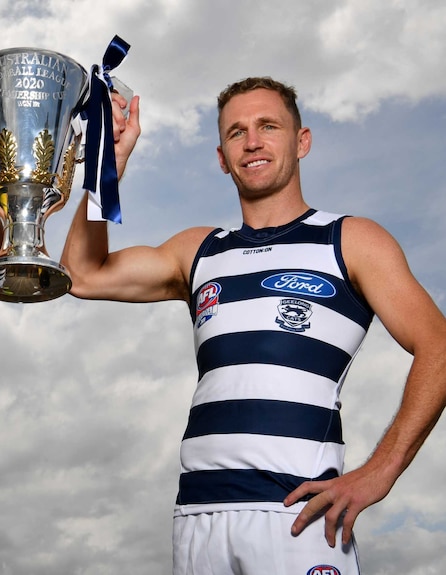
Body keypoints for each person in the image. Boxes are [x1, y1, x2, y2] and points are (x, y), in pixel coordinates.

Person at [60, 77, 446, 574]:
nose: (253, 142)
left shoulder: (350, 239)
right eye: (237, 132)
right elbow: (83, 275)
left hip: (295, 516)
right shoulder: (199, 249)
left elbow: (437, 345)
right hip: (198, 516)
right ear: (222, 157)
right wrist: (104, 165)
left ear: (301, 141)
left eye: (268, 126)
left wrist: (381, 471)